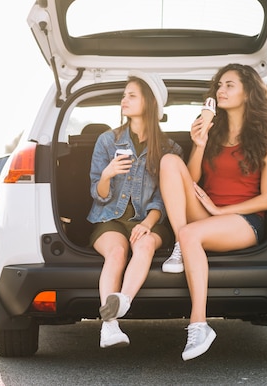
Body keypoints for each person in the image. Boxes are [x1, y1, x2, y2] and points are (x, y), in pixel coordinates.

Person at [159, 63, 267, 360]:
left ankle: (199, 324)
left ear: (247, 93)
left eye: (229, 85)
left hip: (243, 221)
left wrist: (220, 208)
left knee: (190, 233)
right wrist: (199, 144)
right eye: (219, 86)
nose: (220, 91)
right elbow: (192, 179)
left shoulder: (266, 138)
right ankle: (180, 243)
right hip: (207, 215)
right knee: (169, 163)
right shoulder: (212, 131)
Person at [87, 71, 182, 348]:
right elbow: (97, 194)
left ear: (150, 103)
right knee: (117, 252)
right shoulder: (107, 141)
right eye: (123, 95)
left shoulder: (170, 149)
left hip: (150, 219)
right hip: (110, 218)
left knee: (144, 245)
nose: (123, 100)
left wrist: (148, 224)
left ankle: (123, 301)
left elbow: (165, 200)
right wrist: (106, 175)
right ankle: (109, 327)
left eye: (132, 95)